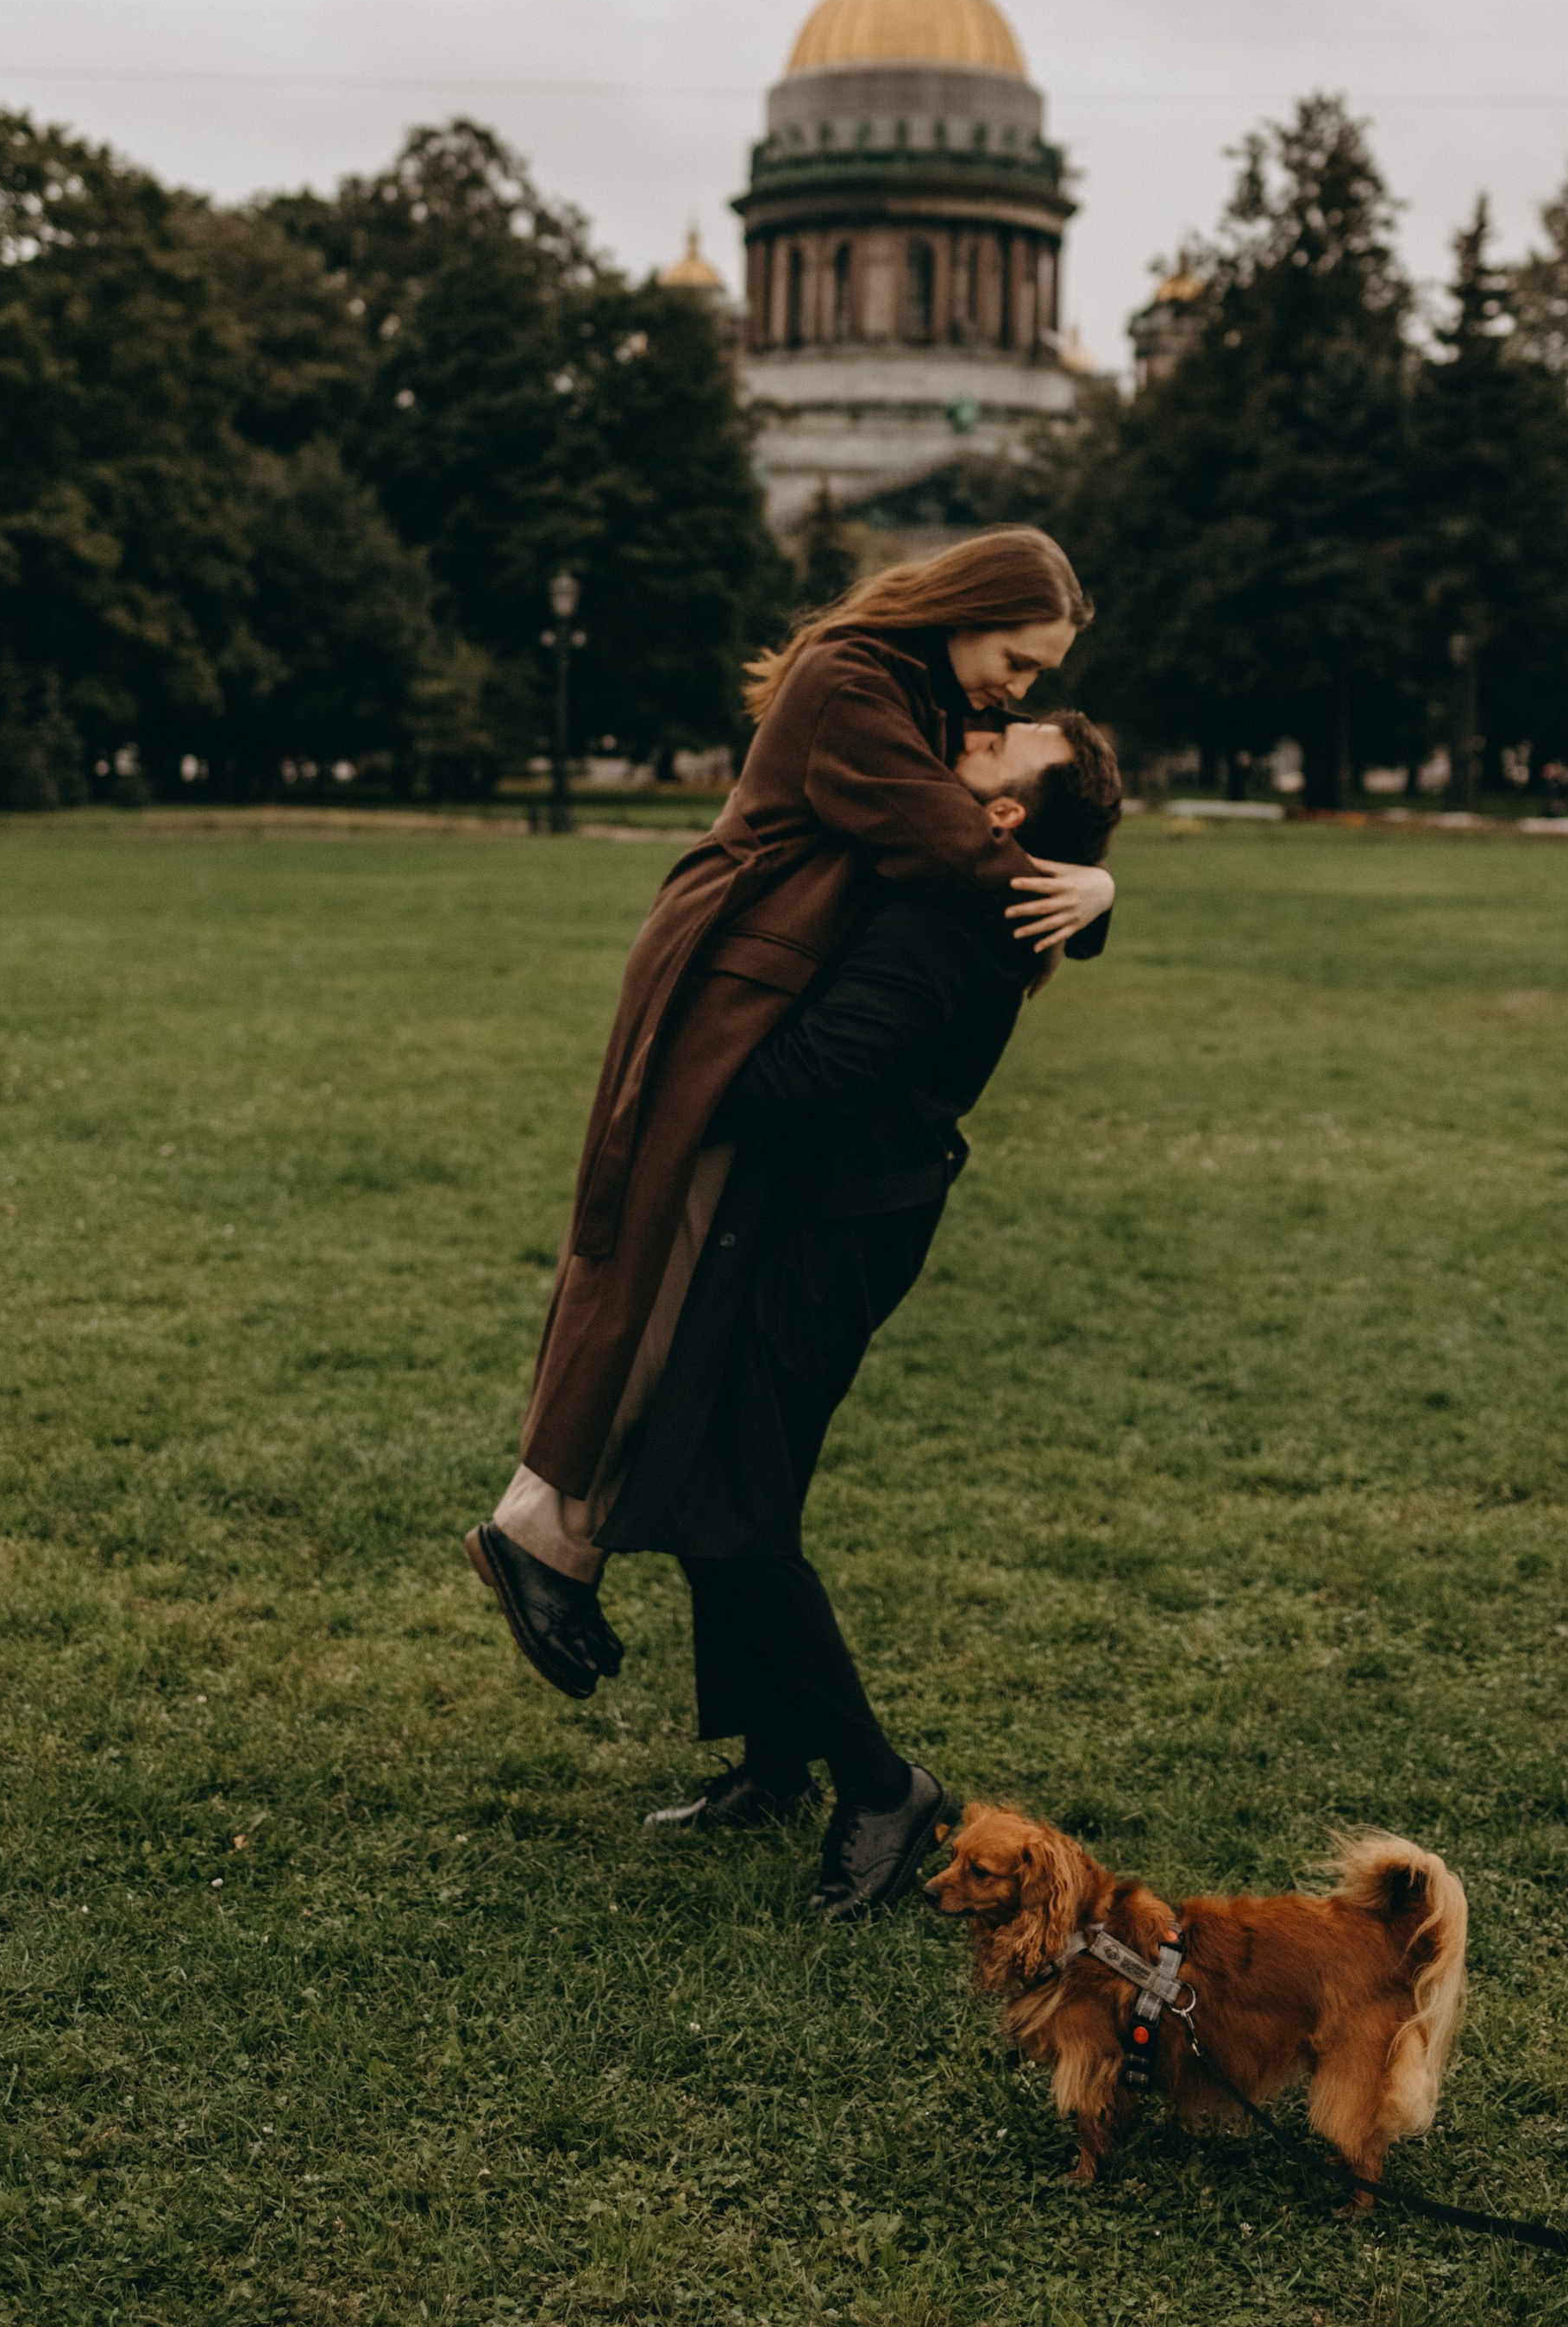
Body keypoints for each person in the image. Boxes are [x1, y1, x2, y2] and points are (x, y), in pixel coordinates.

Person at [469, 529, 1115, 1722]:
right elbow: (941, 836)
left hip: (769, 982)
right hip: (735, 989)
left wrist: (1079, 871)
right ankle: (540, 1534)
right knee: (647, 1277)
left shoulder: (915, 689)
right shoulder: (854, 680)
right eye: (1020, 664)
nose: (1019, 692)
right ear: (968, 610)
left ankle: (555, 1540)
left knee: (665, 1283)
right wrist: (1083, 894)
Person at [621, 707, 1123, 1918]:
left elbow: (812, 1077)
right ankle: (778, 1762)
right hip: (825, 1212)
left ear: (1006, 818)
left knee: (730, 1502)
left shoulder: (952, 917)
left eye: (1010, 740)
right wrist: (1104, 891)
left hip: (830, 1230)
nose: (985, 726)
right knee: (740, 1480)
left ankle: (881, 1787)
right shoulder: (966, 875)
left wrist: (677, 1054)